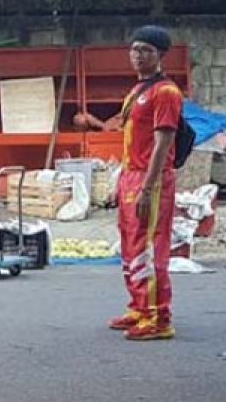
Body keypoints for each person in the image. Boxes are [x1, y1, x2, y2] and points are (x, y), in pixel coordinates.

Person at [74, 27, 183, 340]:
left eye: (146, 50)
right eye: (134, 49)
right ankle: (139, 307)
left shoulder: (165, 92)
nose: (138, 56)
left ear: (161, 55)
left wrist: (148, 188)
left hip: (152, 177)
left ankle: (159, 318)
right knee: (131, 242)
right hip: (131, 174)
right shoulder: (138, 90)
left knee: (149, 246)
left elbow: (163, 143)